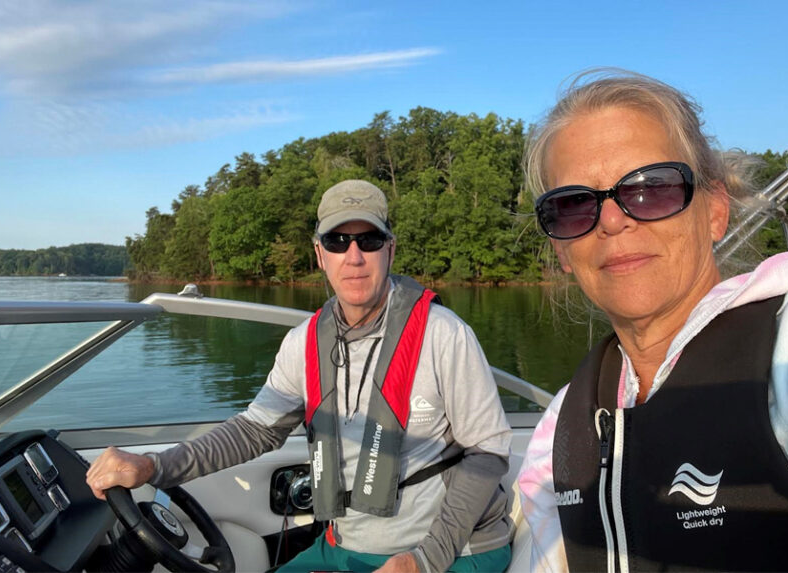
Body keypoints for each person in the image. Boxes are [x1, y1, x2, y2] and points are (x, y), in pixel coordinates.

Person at [517, 69, 788, 572]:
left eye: (652, 187)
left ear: (715, 210)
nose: (612, 220)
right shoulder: (562, 424)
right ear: (561, 250)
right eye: (573, 205)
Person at [87, 179, 514, 573]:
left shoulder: (445, 334)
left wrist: (422, 561)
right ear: (319, 254)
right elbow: (255, 430)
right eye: (337, 240)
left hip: (456, 554)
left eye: (368, 240)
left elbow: (487, 452)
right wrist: (154, 466)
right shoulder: (303, 343)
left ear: (390, 250)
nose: (354, 256)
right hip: (345, 547)